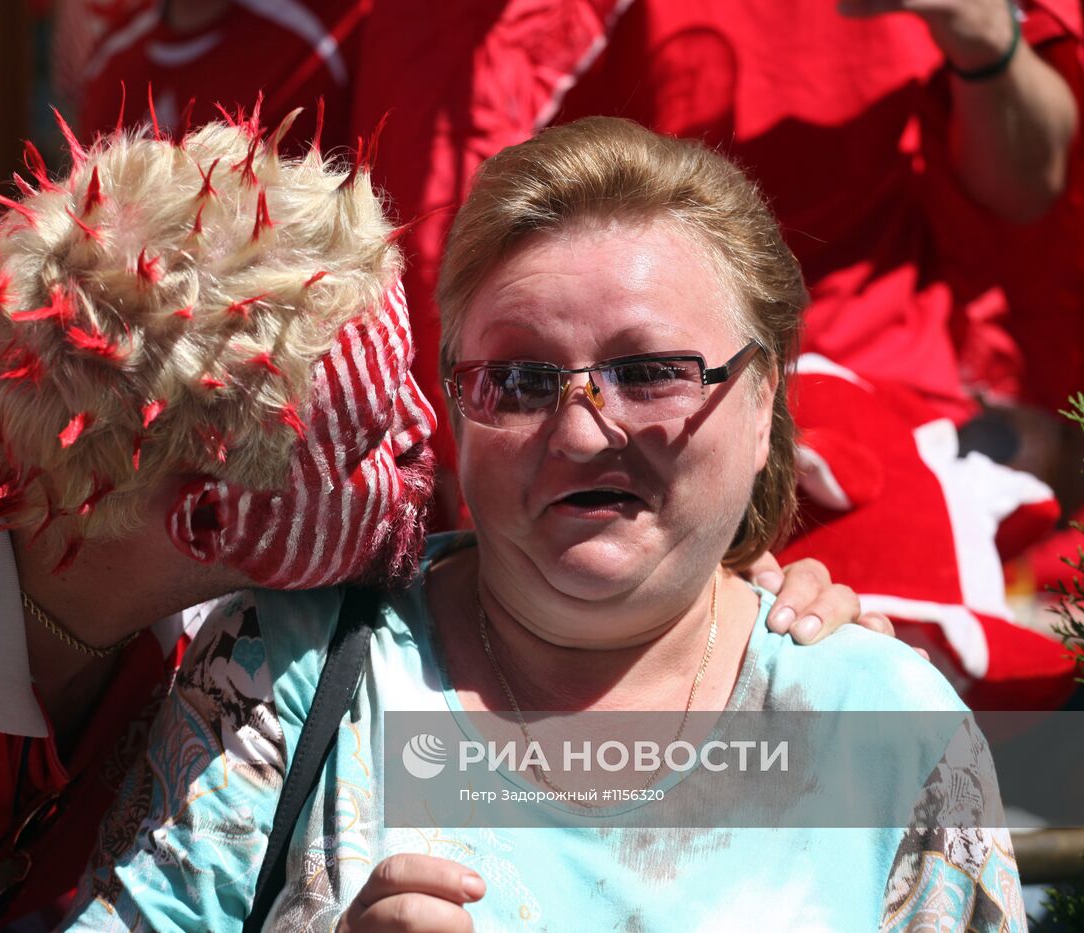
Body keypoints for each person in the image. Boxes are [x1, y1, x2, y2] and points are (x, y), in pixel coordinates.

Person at [0, 115, 864, 932]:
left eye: (423, 386)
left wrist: (702, 587)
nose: (429, 443)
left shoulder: (104, 433)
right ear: (206, 515)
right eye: (370, 440)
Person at [65, 117, 1022, 931]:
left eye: (649, 372)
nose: (578, 430)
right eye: (517, 381)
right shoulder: (290, 665)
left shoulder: (886, 728)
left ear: (764, 394)